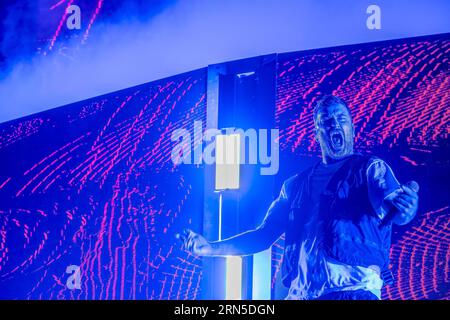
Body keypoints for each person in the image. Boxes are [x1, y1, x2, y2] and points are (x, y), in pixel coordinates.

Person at [178, 95, 419, 300]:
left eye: (341, 119)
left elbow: (394, 208)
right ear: (317, 132)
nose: (334, 123)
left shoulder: (370, 169)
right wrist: (210, 248)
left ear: (352, 128)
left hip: (352, 289)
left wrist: (407, 209)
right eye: (327, 121)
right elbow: (263, 236)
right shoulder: (294, 186)